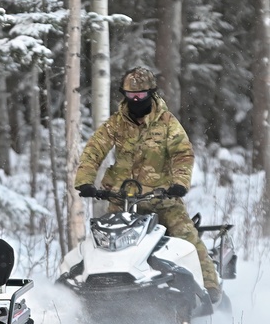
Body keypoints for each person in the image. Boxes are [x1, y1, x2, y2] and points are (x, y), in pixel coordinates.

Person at [74, 66, 221, 302]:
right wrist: (85, 181)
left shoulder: (166, 122)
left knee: (186, 236)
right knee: (104, 243)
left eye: (140, 95)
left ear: (150, 94)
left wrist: (179, 183)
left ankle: (209, 287)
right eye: (130, 95)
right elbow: (94, 150)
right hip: (121, 199)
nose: (135, 100)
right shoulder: (116, 123)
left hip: (162, 198)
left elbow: (183, 153)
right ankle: (99, 291)